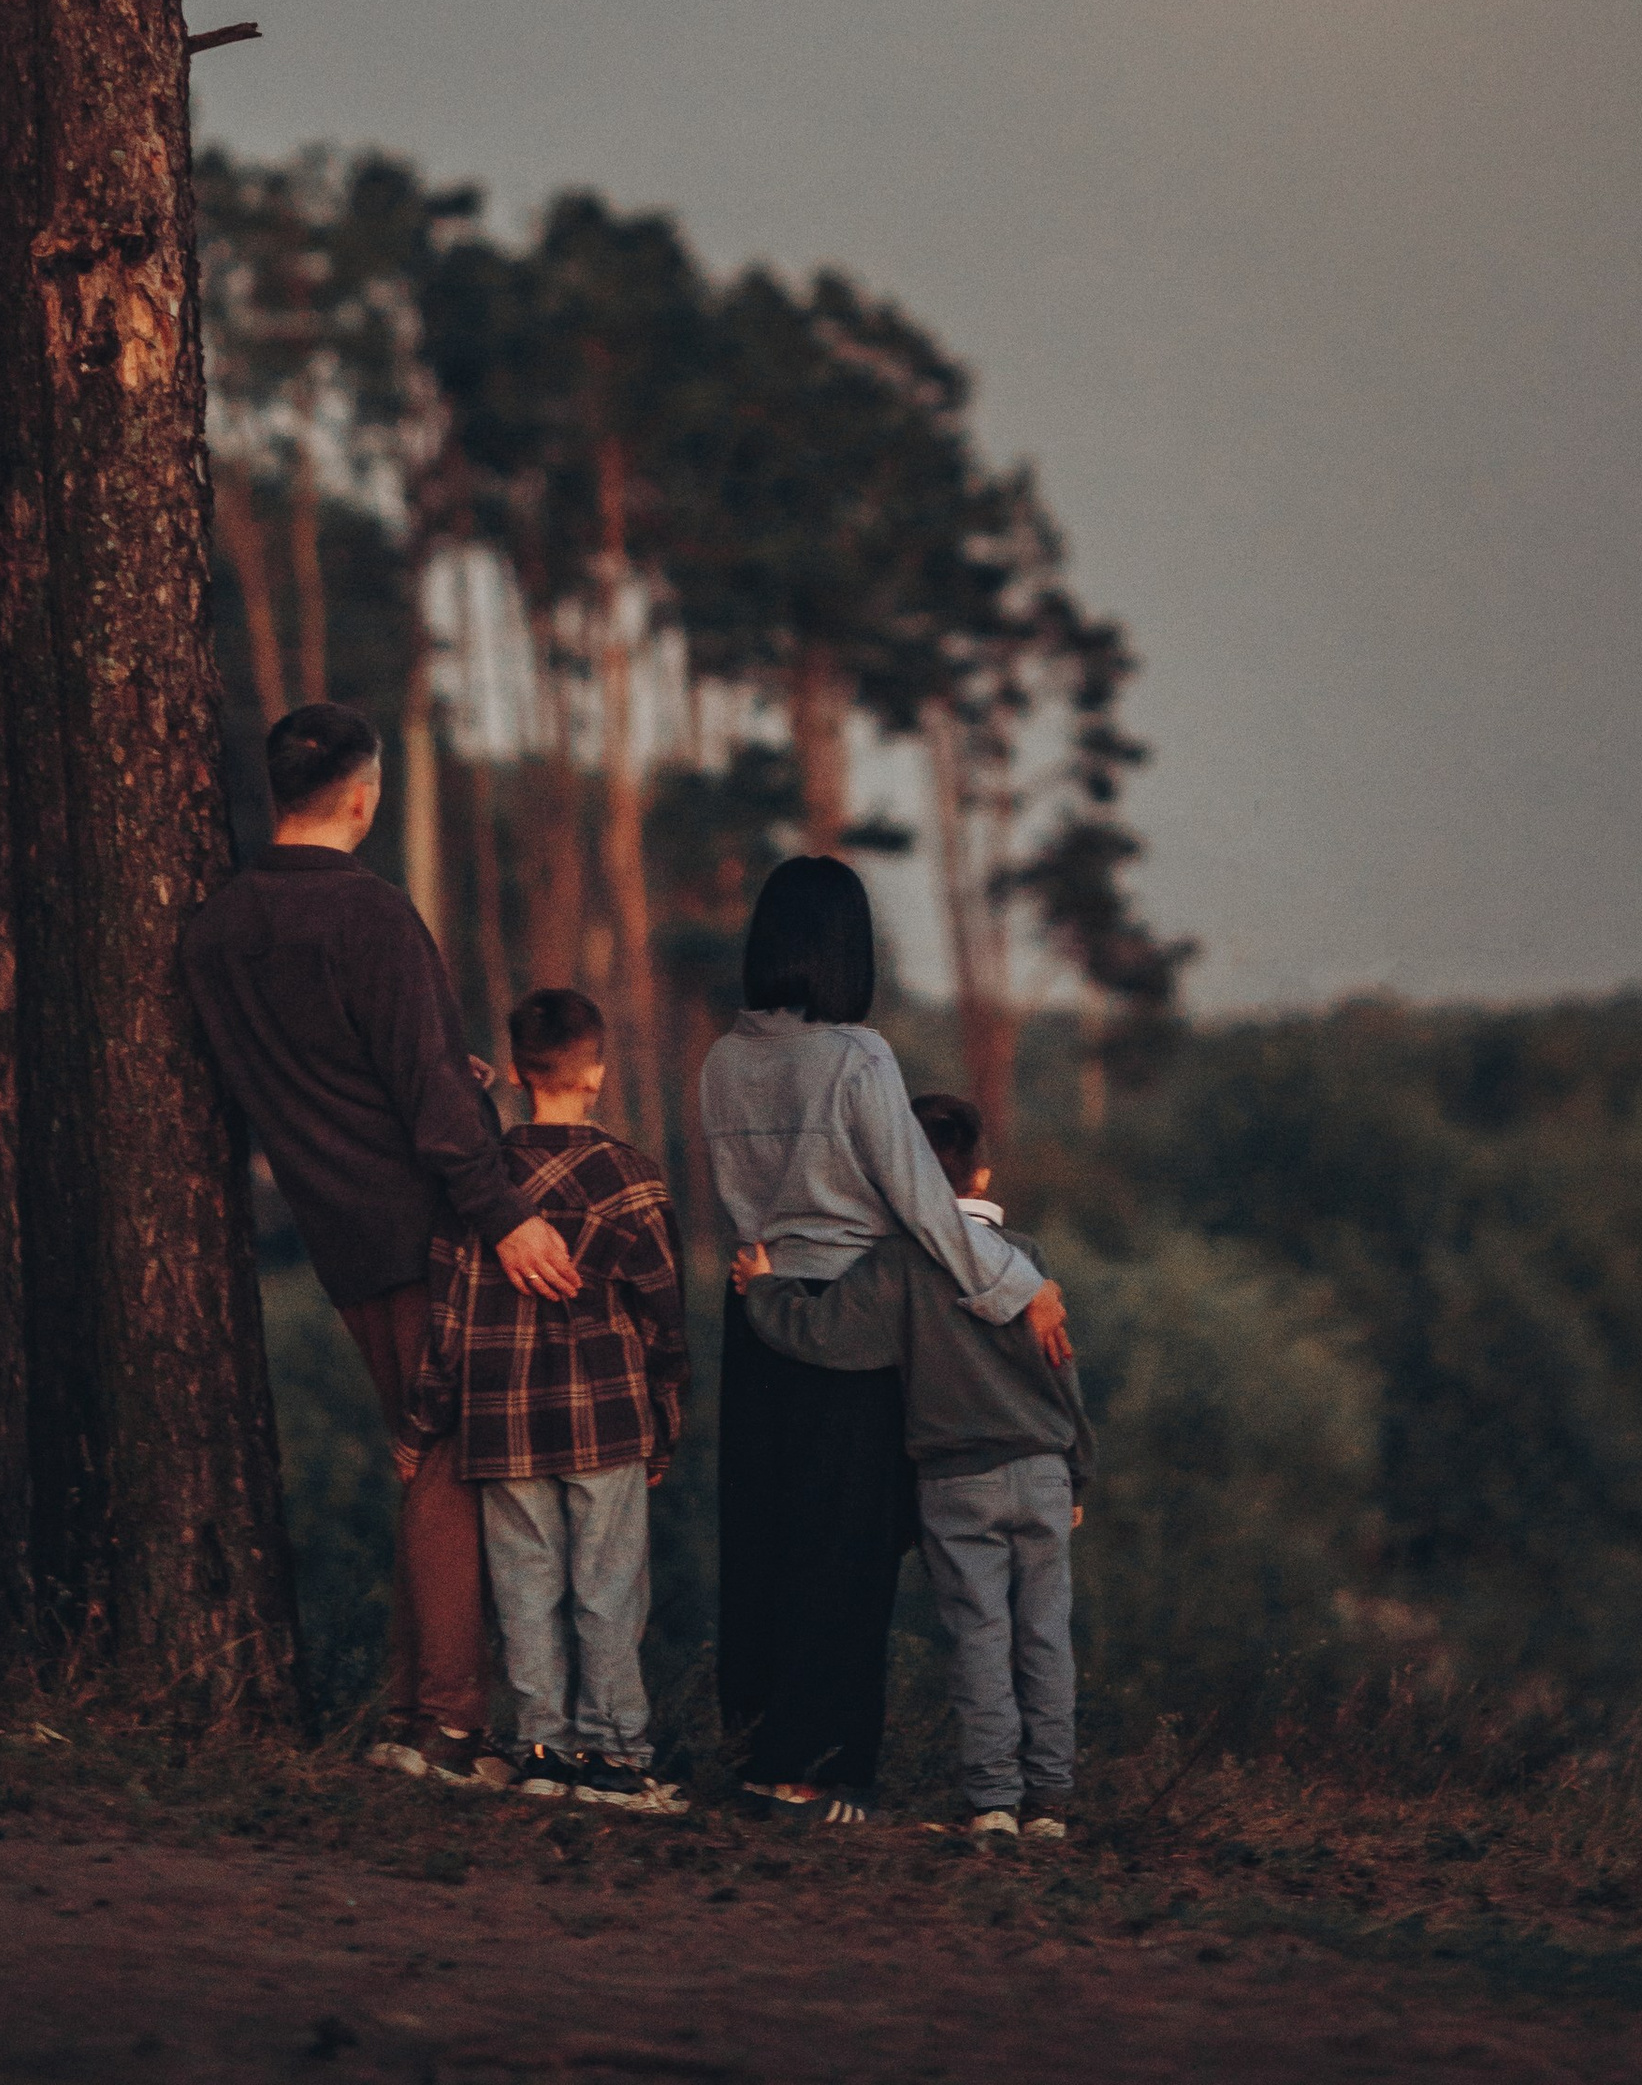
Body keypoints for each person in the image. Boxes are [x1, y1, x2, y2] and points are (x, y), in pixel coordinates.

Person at [181, 701, 578, 1786]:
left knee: (424, 1454)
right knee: (449, 1461)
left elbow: (340, 1067)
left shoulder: (216, 929)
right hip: (428, 1224)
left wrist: (450, 1072)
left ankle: (415, 1712)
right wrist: (509, 1214)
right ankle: (447, 1726)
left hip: (335, 1231)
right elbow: (430, 1111)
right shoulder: (372, 914)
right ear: (364, 792)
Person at [698, 853, 1073, 1823]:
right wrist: (1017, 1283)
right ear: (844, 949)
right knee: (843, 1546)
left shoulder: (721, 1059)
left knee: (764, 1533)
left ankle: (755, 1745)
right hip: (853, 1313)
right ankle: (811, 1770)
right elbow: (925, 1206)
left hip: (755, 1307)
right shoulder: (857, 1056)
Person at [737, 1088, 1090, 1841]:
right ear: (983, 1176)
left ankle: (993, 1801)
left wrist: (763, 1289)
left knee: (981, 1638)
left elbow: (823, 1335)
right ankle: (1052, 1800)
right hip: (1042, 1469)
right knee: (1046, 1633)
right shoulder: (1029, 1260)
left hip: (958, 1481)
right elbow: (1065, 1376)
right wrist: (1078, 1474)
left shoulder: (898, 1262)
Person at [407, 985, 690, 1812]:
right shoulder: (633, 1180)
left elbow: (448, 1312)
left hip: (502, 1423)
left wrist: (425, 1420)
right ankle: (614, 1759)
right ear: (595, 1072)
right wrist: (665, 1421)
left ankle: (541, 1752)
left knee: (526, 1586)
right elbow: (664, 1321)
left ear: (521, 1073)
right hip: (606, 1421)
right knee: (607, 1588)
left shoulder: (481, 1185)